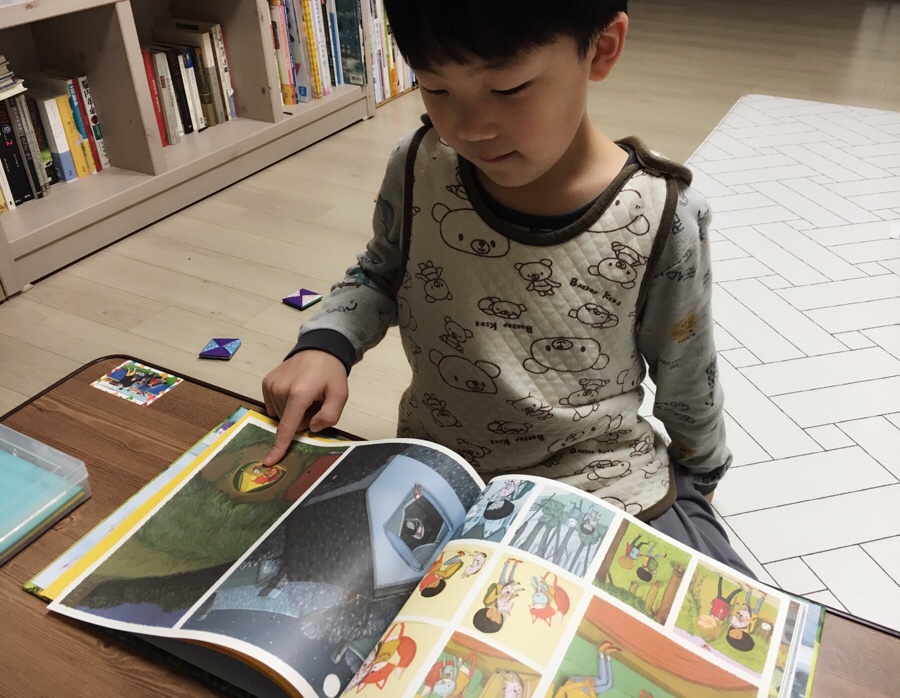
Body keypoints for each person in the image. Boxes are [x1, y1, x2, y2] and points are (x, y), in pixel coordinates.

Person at [261, 0, 751, 575]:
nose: (470, 127)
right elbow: (379, 273)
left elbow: (687, 373)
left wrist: (701, 476)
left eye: (510, 88)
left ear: (602, 49)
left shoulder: (662, 212)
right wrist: (326, 344)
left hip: (603, 480)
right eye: (435, 89)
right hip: (443, 474)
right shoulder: (419, 165)